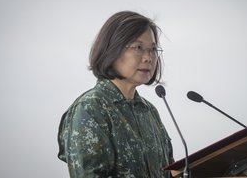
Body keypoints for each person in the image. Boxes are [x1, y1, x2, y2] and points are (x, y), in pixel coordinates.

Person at [57, 10, 174, 178]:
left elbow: (170, 170)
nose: (148, 57)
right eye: (138, 48)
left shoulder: (149, 111)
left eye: (153, 49)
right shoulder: (90, 109)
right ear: (113, 50)